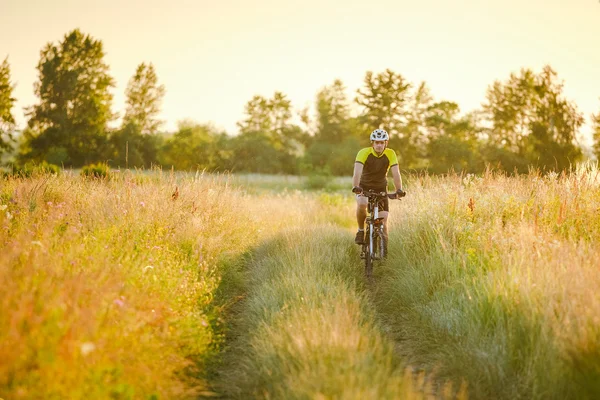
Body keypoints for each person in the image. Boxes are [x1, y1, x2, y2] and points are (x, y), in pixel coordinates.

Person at [352, 128, 405, 245]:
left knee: (384, 222)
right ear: (373, 143)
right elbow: (357, 172)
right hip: (364, 186)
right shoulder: (363, 152)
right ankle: (361, 231)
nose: (379, 145)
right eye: (377, 142)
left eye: (382, 142)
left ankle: (383, 256)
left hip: (381, 187)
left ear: (386, 143)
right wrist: (356, 187)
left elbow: (396, 173)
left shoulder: (390, 153)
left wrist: (399, 189)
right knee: (362, 204)